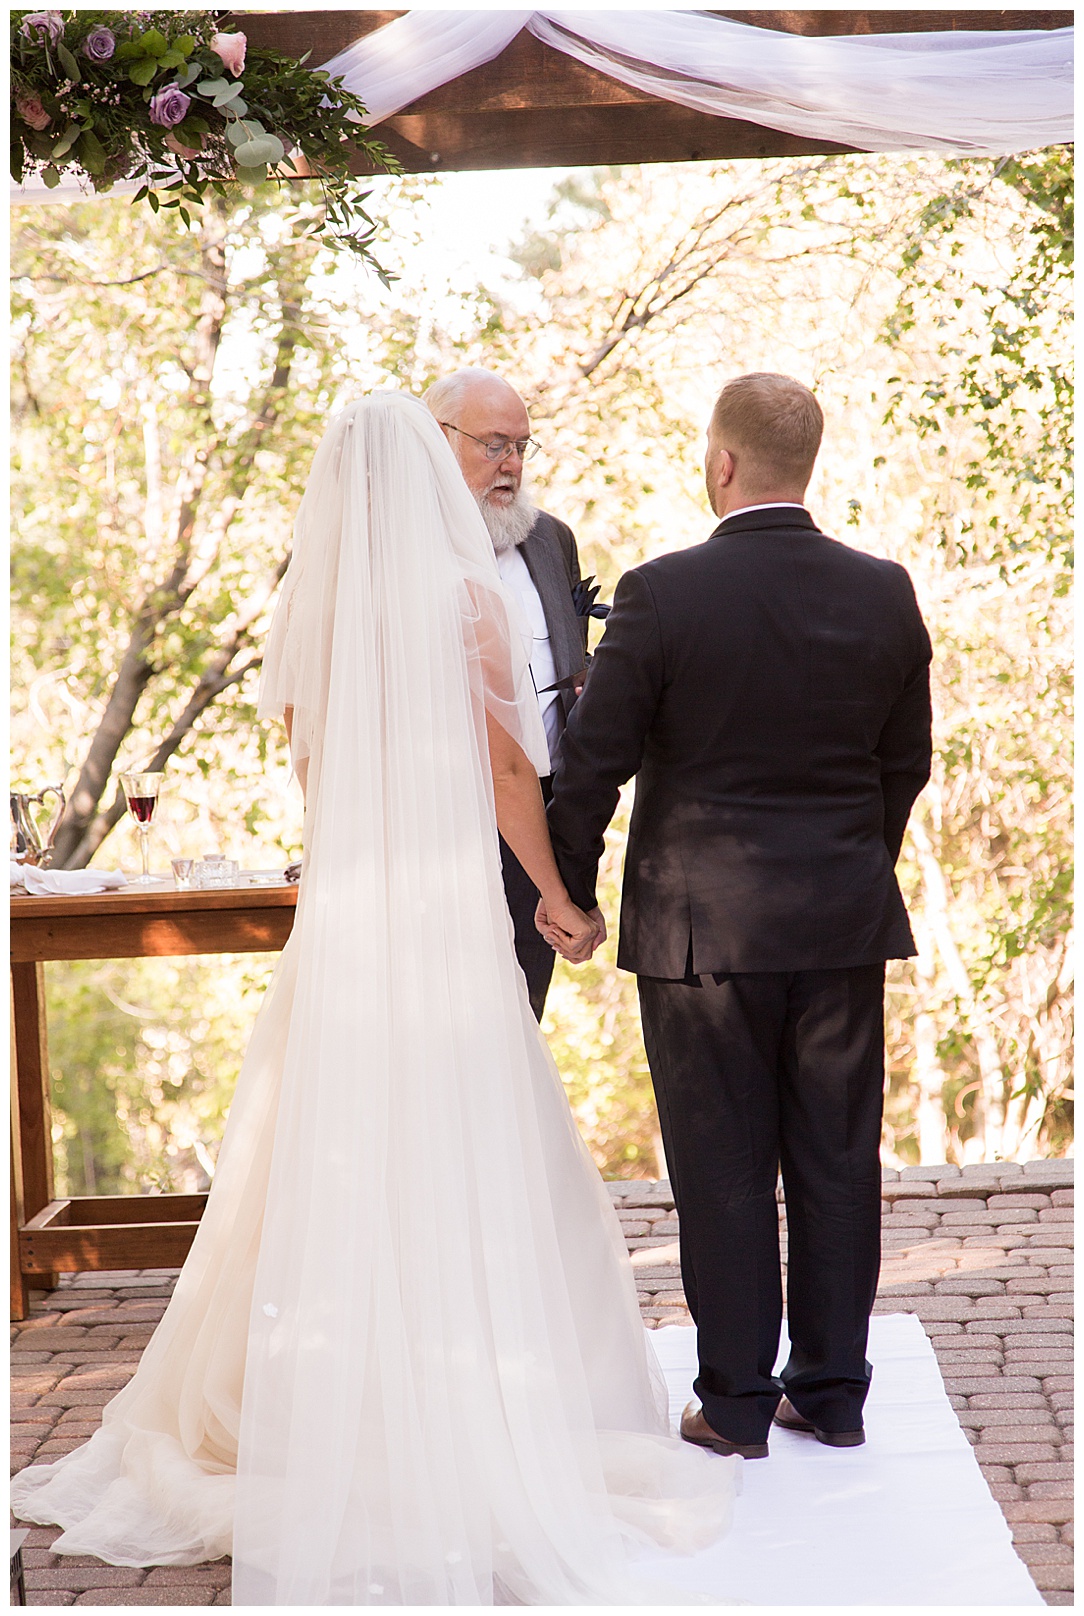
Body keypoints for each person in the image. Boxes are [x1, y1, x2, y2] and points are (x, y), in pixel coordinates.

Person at [12, 393, 735, 1605]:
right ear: (425, 476)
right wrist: (555, 892)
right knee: (458, 1144)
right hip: (446, 921)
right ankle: (458, 1406)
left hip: (347, 929)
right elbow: (509, 768)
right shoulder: (464, 605)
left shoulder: (319, 617)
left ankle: (332, 1393)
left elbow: (311, 766)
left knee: (328, 1152)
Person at [545, 373, 933, 1461]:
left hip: (698, 933)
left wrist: (564, 891)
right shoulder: (883, 591)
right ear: (805, 464)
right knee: (835, 1157)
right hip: (841, 923)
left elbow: (592, 769)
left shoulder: (661, 594)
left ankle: (734, 1403)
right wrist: (851, 866)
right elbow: (905, 765)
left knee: (719, 1165)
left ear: (719, 463)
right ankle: (834, 1393)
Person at [425, 369, 593, 1021]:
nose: (513, 464)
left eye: (523, 446)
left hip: (537, 834)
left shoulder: (551, 541)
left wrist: (568, 879)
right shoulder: (394, 555)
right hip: (437, 837)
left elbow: (569, 694)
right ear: (440, 441)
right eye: (494, 445)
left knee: (520, 1034)